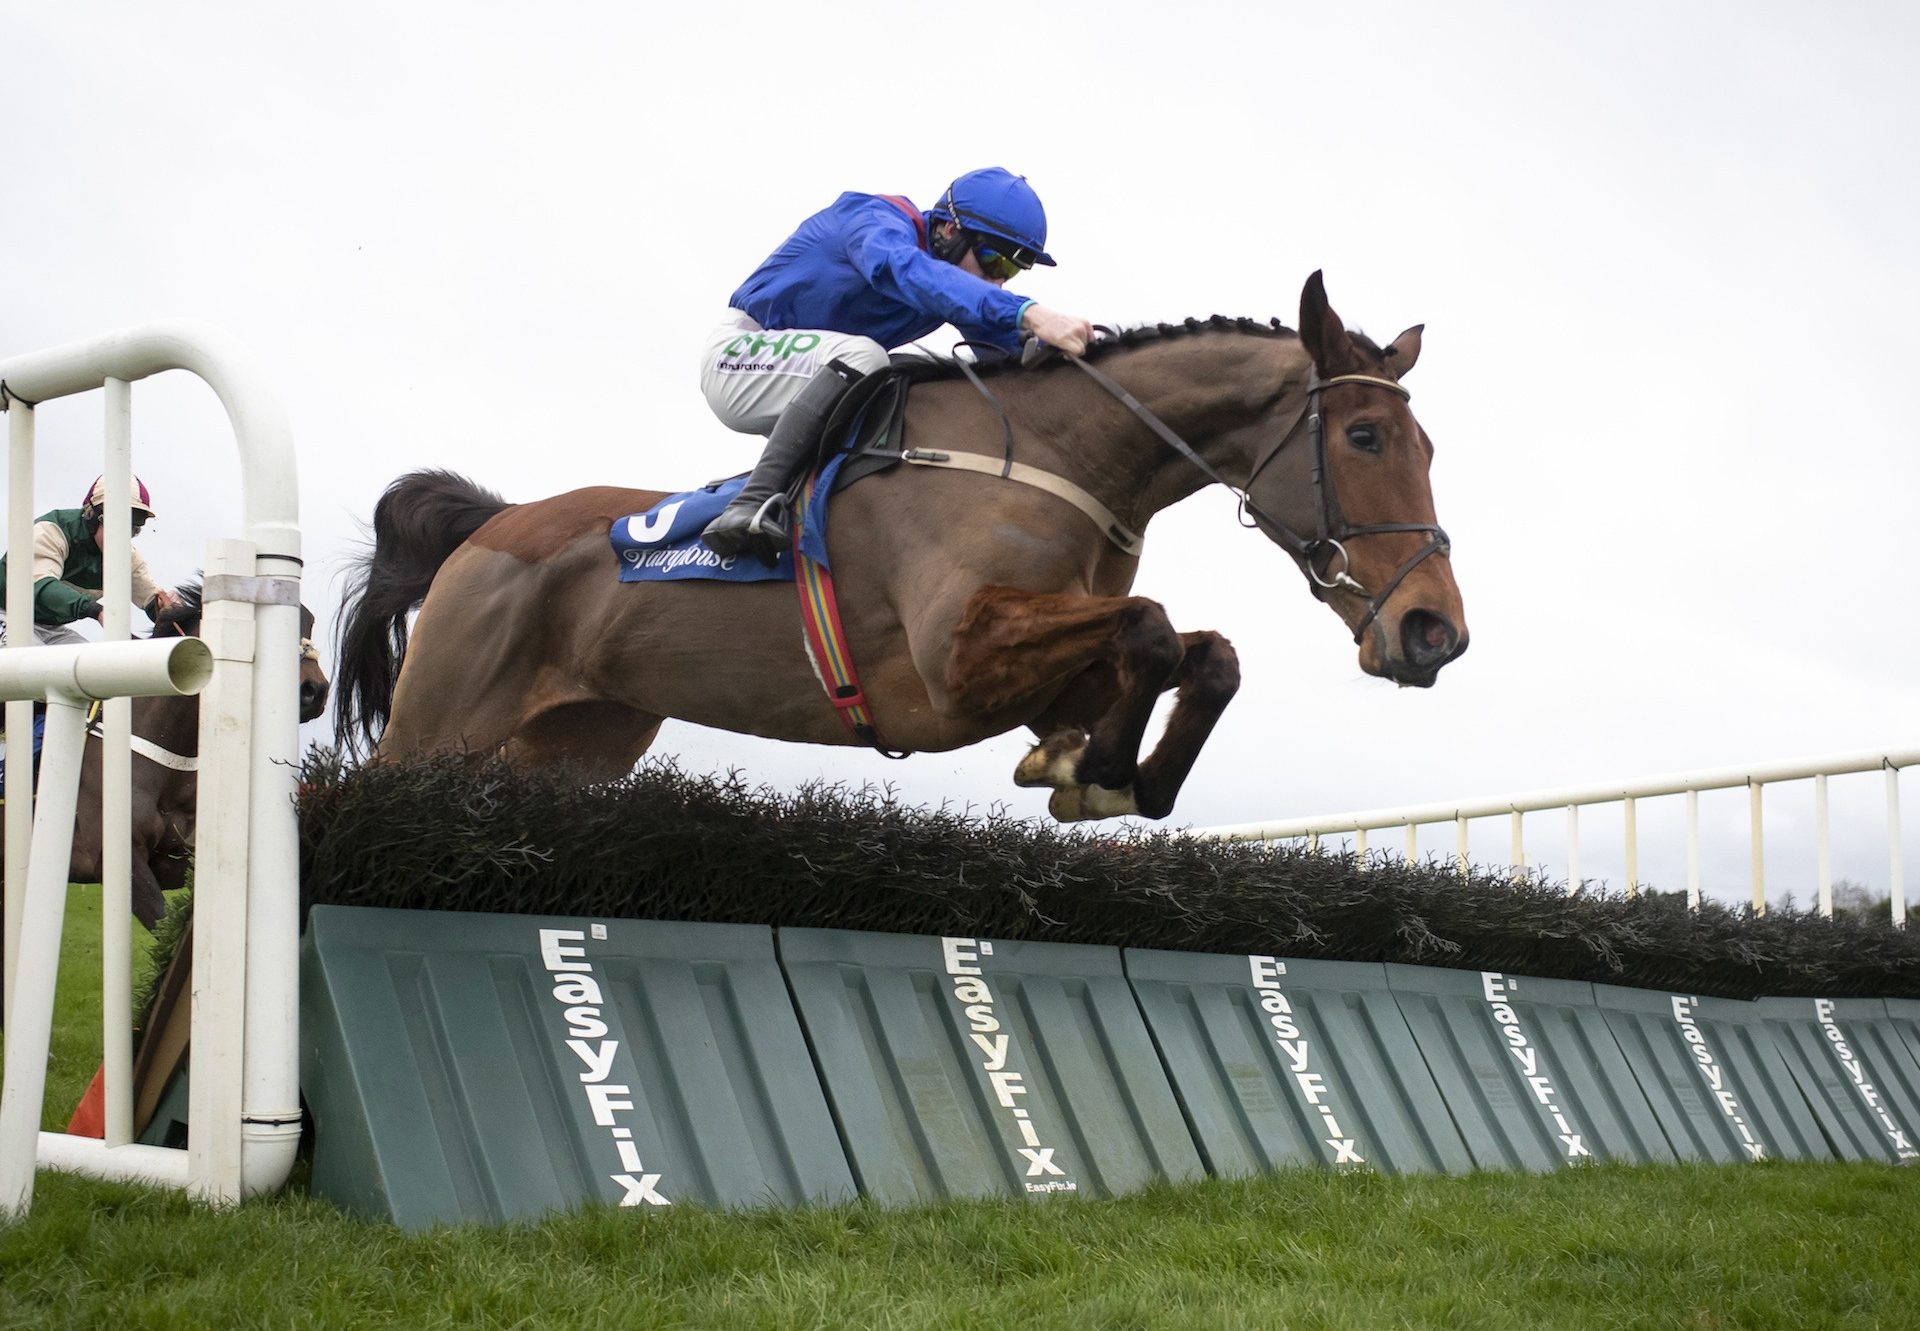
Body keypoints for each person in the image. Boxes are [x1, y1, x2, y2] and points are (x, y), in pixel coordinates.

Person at [698, 167, 1096, 563]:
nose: (997, 282)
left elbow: (1011, 357)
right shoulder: (875, 220)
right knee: (868, 358)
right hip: (738, 355)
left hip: (803, 371)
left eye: (1011, 271)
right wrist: (1030, 312)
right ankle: (752, 502)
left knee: (918, 381)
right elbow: (906, 271)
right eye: (993, 261)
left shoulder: (944, 277)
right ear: (949, 231)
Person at [0, 474, 179, 647]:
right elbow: (40, 587)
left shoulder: (128, 559)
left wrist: (168, 611)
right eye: (116, 527)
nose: (122, 538)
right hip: (6, 613)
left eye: (132, 530)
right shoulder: (50, 531)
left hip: (51, 628)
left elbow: (150, 598)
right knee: (34, 664)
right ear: (91, 516)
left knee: (93, 670)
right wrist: (96, 610)